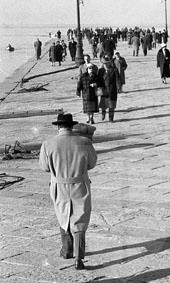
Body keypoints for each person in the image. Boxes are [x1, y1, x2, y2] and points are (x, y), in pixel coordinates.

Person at [39, 113, 97, 270]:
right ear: (72, 126)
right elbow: (92, 163)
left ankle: (66, 250)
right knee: (80, 219)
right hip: (80, 184)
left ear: (58, 126)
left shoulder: (48, 144)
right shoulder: (85, 141)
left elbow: (44, 167)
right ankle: (78, 257)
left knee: (63, 216)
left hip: (59, 186)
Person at [98, 57, 119, 122]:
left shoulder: (114, 70)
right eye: (104, 63)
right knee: (103, 105)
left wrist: (118, 87)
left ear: (110, 63)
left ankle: (111, 118)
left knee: (112, 105)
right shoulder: (101, 71)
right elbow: (98, 80)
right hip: (104, 90)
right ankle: (103, 113)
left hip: (112, 90)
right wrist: (98, 88)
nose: (106, 65)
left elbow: (117, 79)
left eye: (107, 63)